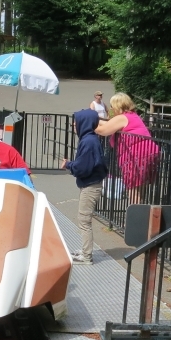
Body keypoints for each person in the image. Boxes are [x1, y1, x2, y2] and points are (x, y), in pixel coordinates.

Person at [61, 109, 109, 265]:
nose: (74, 124)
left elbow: (83, 167)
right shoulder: (89, 139)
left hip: (91, 185)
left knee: (84, 219)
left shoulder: (88, 141)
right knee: (84, 219)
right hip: (90, 183)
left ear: (84, 123)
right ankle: (85, 250)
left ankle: (87, 256)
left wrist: (69, 164)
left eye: (76, 122)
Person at [93, 92, 159, 204]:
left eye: (112, 105)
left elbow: (102, 131)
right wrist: (95, 120)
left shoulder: (122, 117)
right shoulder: (132, 116)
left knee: (133, 189)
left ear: (118, 105)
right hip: (148, 151)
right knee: (140, 188)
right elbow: (107, 124)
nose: (111, 108)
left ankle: (137, 217)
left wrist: (85, 123)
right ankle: (141, 214)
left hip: (137, 154)